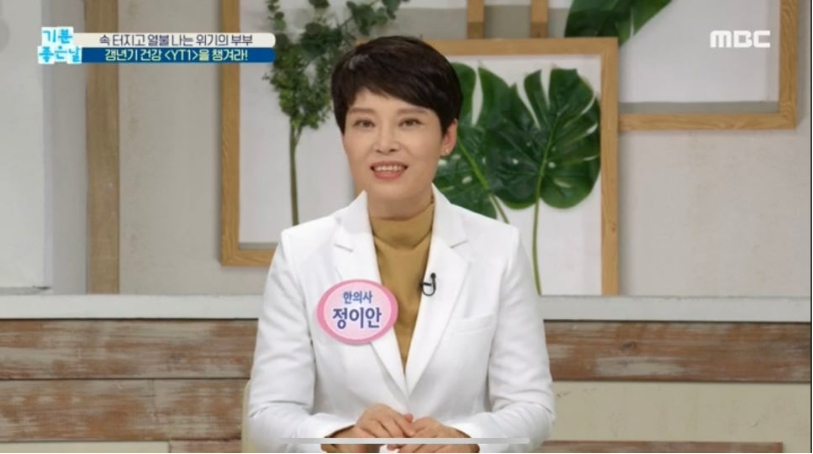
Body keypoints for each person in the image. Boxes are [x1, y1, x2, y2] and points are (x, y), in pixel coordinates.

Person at [246, 35, 555, 453]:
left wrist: (466, 439)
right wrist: (340, 437)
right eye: (365, 123)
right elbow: (269, 413)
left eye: (409, 122)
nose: (385, 143)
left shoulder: (498, 249)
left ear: (447, 136)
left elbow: (532, 406)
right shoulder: (301, 252)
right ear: (344, 137)